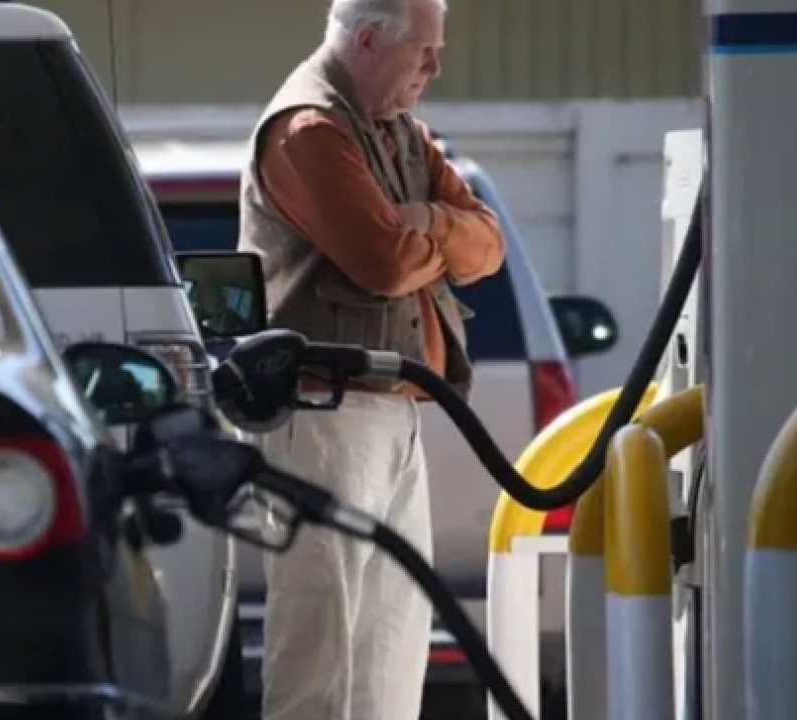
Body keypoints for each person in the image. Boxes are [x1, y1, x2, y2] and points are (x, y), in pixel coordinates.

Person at [236, 0, 506, 717]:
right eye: (423, 49)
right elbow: (383, 264)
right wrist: (436, 235)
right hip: (322, 415)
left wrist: (433, 223)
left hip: (389, 408)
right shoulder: (309, 130)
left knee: (390, 641)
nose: (435, 66)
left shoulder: (402, 135)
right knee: (320, 645)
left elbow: (491, 246)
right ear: (365, 38)